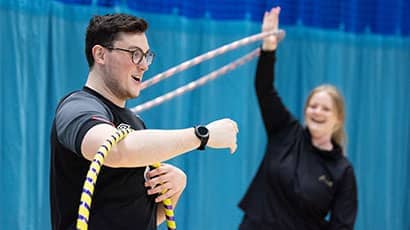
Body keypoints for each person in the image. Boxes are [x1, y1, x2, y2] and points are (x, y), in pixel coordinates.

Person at [50, 13, 239, 230]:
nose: (144, 66)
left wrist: (173, 187)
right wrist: (202, 136)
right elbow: (115, 151)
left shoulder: (135, 123)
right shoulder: (77, 108)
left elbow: (142, 219)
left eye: (146, 56)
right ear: (100, 54)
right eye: (135, 54)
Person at [239, 7, 358, 229]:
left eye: (325, 109)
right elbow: (264, 88)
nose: (317, 112)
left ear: (338, 119)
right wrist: (268, 47)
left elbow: (342, 225)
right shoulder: (285, 131)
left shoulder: (342, 171)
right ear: (305, 110)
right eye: (313, 106)